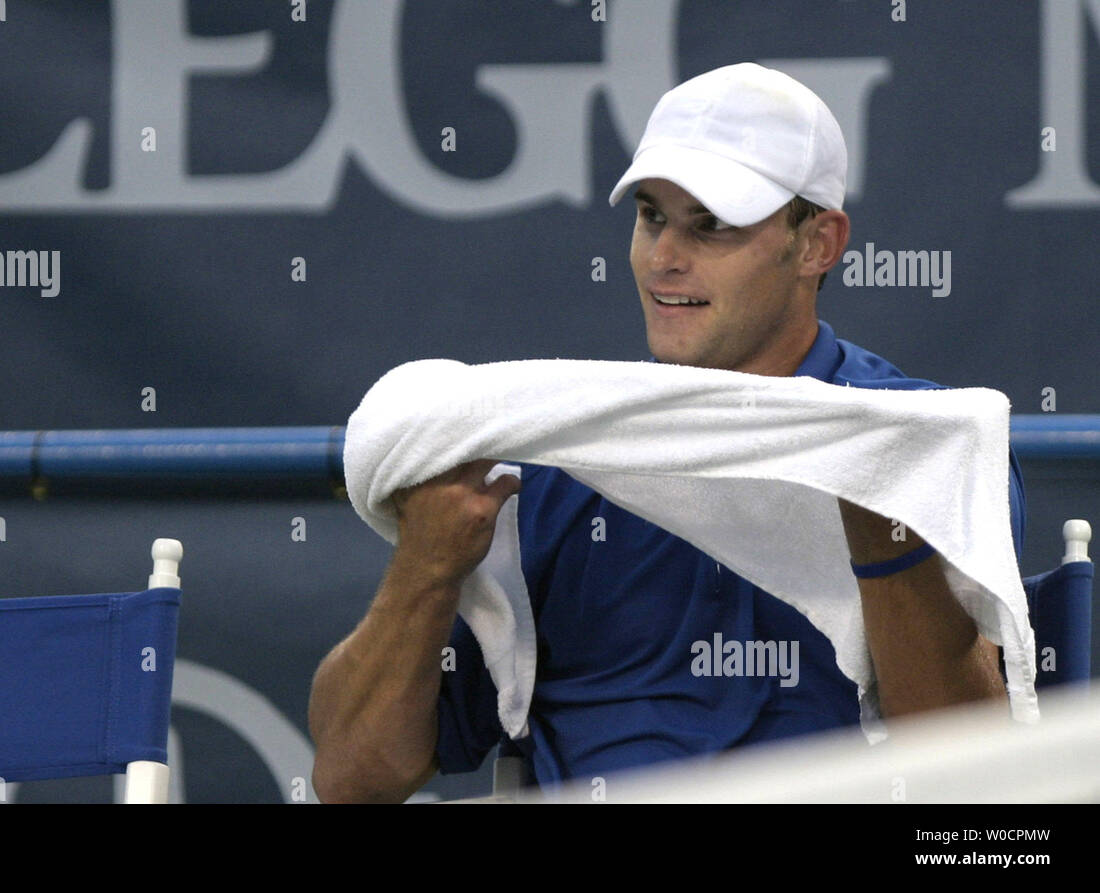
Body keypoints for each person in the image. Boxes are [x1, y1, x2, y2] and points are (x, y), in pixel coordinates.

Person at [307, 62, 1026, 803]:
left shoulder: (919, 447)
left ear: (818, 243)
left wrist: (886, 542)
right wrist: (425, 567)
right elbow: (351, 779)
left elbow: (971, 788)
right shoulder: (553, 463)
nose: (663, 257)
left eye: (711, 224)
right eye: (652, 216)